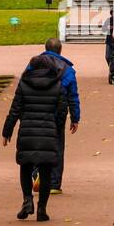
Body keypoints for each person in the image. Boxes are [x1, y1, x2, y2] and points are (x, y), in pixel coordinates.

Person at [3, 53, 68, 221]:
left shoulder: (24, 84)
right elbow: (62, 112)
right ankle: (42, 209)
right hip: (48, 132)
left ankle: (27, 200)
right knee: (46, 171)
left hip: (27, 132)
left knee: (25, 167)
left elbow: (15, 110)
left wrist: (7, 131)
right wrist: (57, 128)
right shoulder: (58, 85)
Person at [40, 37, 80, 193]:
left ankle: (37, 175)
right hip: (58, 111)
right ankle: (54, 183)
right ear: (60, 50)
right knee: (57, 145)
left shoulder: (33, 65)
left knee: (37, 142)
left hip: (36, 109)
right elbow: (73, 96)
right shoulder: (67, 69)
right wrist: (75, 117)